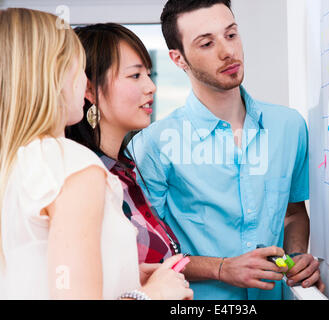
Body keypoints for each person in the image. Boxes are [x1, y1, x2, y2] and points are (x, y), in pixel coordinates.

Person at [129, 0, 325, 300]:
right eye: (207, 43)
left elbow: (293, 213)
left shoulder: (290, 127)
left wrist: (297, 259)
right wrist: (221, 268)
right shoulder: (152, 145)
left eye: (231, 35)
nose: (227, 51)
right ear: (178, 58)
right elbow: (147, 254)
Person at [0, 8, 192, 300]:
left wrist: (123, 272)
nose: (82, 82)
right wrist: (153, 295)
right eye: (78, 69)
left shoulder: (15, 161)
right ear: (52, 75)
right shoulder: (72, 165)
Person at [66, 23, 184, 278]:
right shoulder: (82, 175)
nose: (151, 87)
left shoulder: (125, 168)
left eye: (149, 75)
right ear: (88, 89)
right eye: (135, 76)